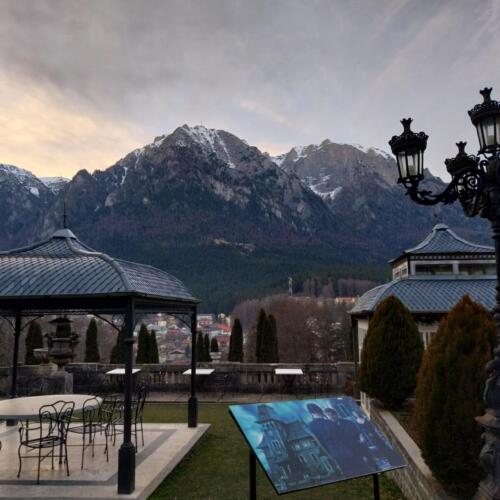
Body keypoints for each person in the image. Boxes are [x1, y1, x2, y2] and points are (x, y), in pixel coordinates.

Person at [323, 407, 372, 477]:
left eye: (332, 414)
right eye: (329, 415)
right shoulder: (327, 428)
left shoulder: (347, 422)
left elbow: (357, 432)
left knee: (365, 468)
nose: (331, 417)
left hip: (356, 449)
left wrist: (361, 437)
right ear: (326, 417)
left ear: (336, 414)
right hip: (344, 454)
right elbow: (330, 442)